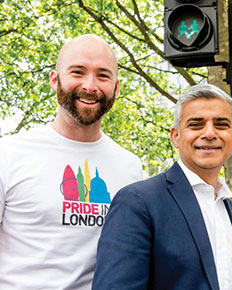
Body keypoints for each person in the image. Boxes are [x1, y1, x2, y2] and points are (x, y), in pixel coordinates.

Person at [0, 34, 143, 290]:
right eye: (78, 72)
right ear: (55, 80)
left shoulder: (131, 168)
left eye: (102, 75)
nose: (90, 86)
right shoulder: (8, 154)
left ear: (117, 87)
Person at [92, 84, 232, 290]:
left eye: (221, 125)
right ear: (175, 136)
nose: (209, 133)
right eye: (196, 124)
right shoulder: (138, 203)